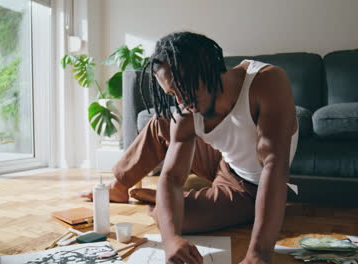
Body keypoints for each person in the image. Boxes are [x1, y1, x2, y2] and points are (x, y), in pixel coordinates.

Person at [82, 31, 298, 264]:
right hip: (224, 161)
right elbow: (173, 178)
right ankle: (120, 185)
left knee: (169, 215)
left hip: (249, 186)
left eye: (182, 86)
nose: (181, 101)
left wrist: (259, 254)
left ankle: (163, 200)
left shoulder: (266, 81)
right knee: (163, 122)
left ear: (206, 63)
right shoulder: (187, 110)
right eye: (172, 94)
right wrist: (171, 240)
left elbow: (274, 166)